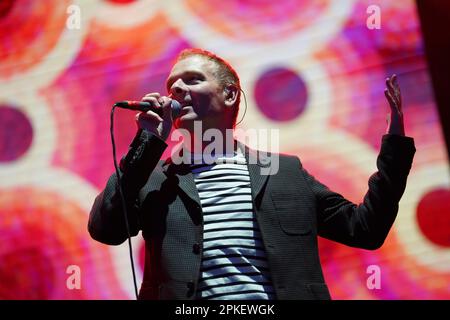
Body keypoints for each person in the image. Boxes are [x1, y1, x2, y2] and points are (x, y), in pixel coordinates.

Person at [88, 48, 416, 300]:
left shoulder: (284, 172)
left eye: (192, 79)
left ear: (230, 94)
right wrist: (147, 144)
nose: (176, 89)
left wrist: (395, 150)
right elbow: (105, 229)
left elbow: (365, 230)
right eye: (172, 85)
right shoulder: (157, 179)